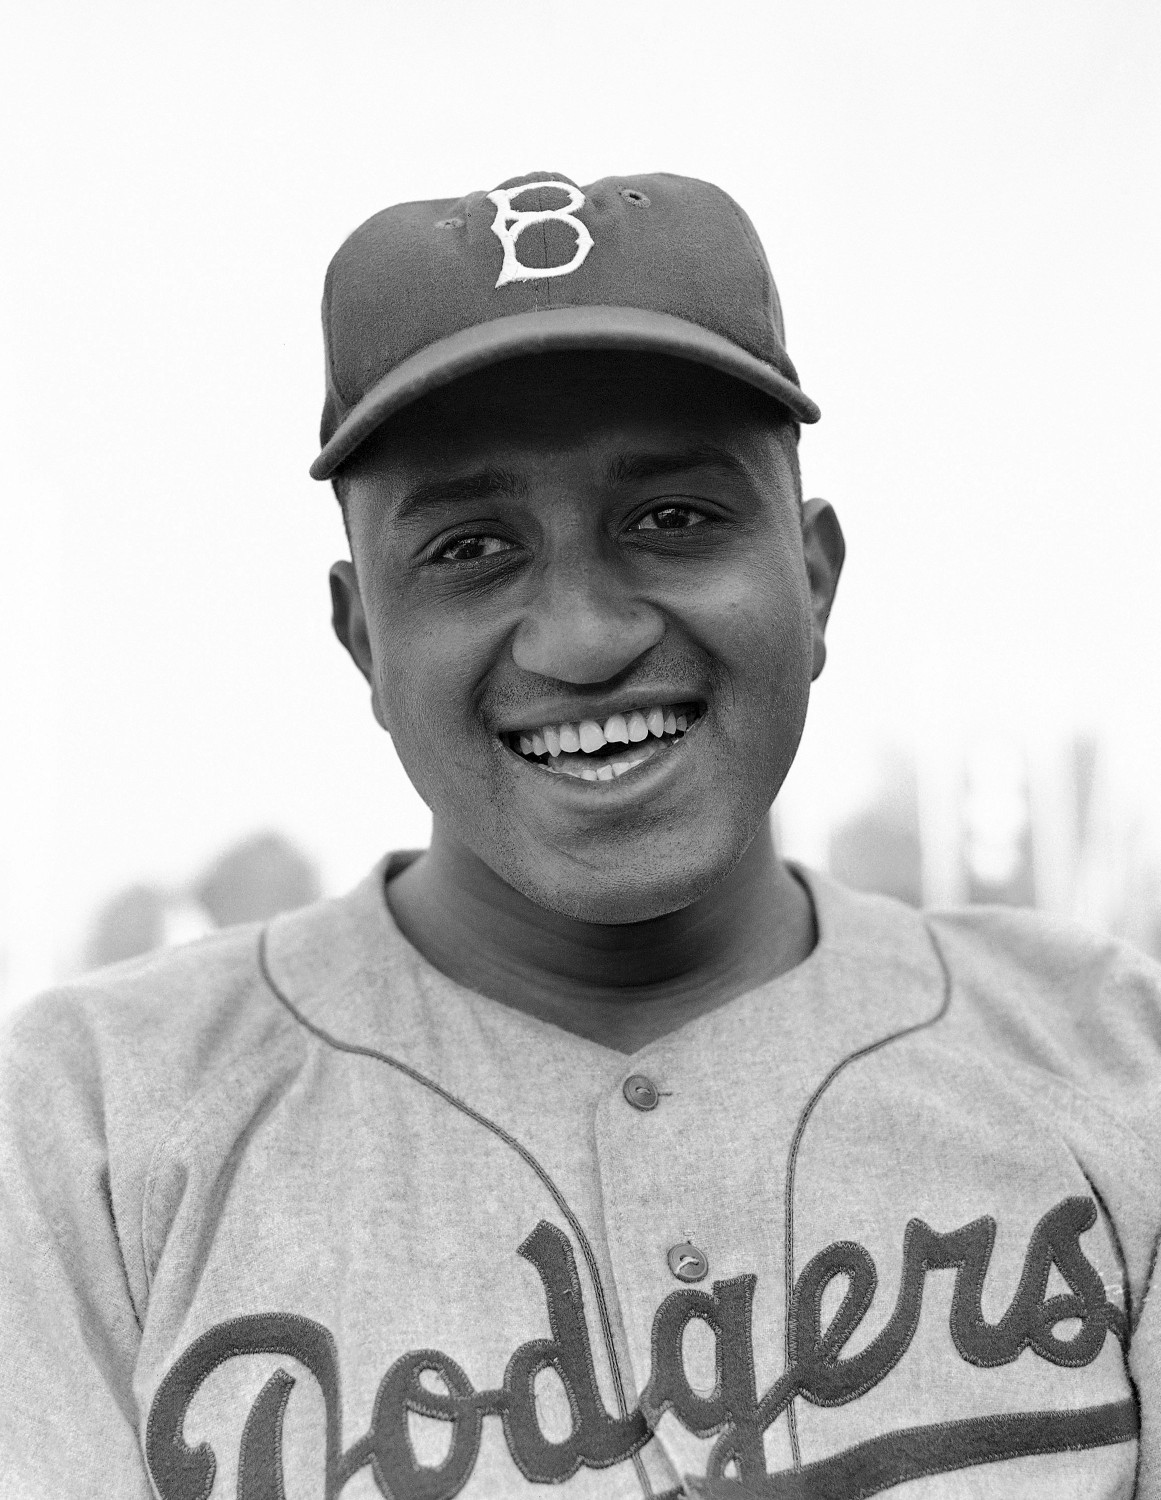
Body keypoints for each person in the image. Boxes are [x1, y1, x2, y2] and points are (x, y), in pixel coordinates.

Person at [1, 171, 1157, 1500]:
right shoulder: (88, 1119)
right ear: (364, 640)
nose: (585, 638)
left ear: (813, 577)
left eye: (673, 520)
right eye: (469, 548)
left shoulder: (1114, 1053)